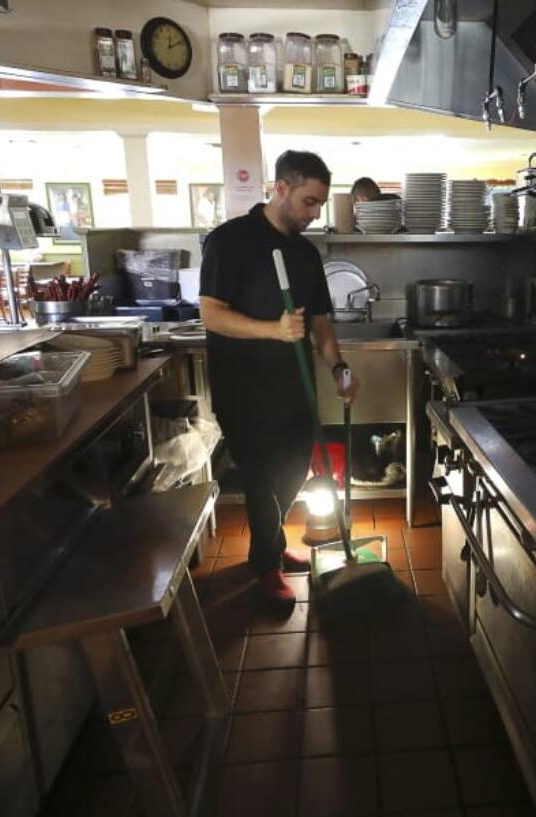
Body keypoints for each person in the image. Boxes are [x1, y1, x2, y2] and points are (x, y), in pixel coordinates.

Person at [200, 150, 359, 607]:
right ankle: (267, 566)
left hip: (295, 391)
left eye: (320, 204)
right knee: (261, 480)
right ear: (281, 188)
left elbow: (322, 323)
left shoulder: (306, 254)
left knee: (290, 474)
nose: (315, 214)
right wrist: (273, 329)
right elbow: (211, 314)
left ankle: (269, 548)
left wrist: (338, 367)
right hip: (244, 391)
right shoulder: (228, 242)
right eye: (309, 202)